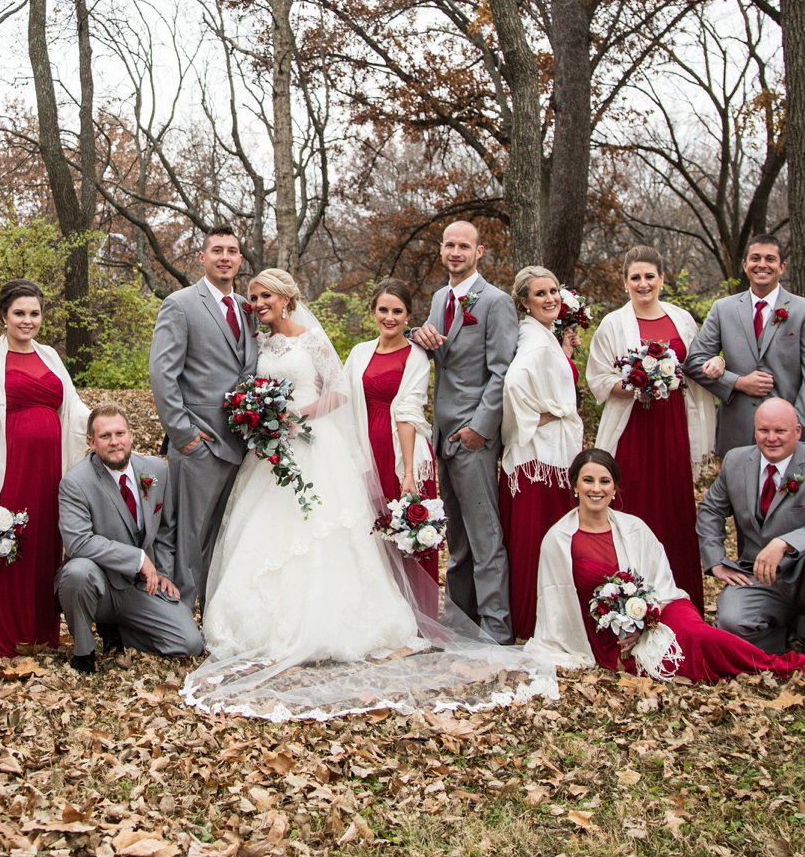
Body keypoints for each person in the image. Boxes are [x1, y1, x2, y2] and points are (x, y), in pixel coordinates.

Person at [185, 269, 560, 720]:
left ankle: (340, 621)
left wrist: (294, 418)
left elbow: (337, 392)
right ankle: (259, 625)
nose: (259, 302)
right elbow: (251, 386)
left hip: (313, 445)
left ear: (287, 298)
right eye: (254, 296)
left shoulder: (313, 340)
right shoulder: (259, 344)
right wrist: (258, 414)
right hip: (270, 453)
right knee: (263, 529)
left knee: (325, 533)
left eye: (266, 295)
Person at [528, 449, 805, 682]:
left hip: (661, 610)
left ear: (615, 488)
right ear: (574, 486)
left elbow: (661, 583)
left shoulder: (634, 528)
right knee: (666, 663)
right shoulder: (559, 540)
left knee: (697, 636)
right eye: (588, 480)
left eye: (604, 481)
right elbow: (557, 605)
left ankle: (771, 665)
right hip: (604, 636)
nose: (596, 489)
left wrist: (644, 621)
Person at [0, 279, 91, 656]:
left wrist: (102, 428)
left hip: (51, 470)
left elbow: (74, 409)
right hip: (9, 464)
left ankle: (37, 632)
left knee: (41, 544)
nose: (27, 320)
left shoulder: (50, 355)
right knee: (7, 537)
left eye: (34, 313)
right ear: (4, 316)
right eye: (19, 313)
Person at [586, 245, 714, 610]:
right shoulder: (613, 324)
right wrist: (634, 385)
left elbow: (697, 365)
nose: (643, 284)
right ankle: (631, 602)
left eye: (649, 277)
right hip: (634, 429)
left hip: (673, 426)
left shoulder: (682, 320)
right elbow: (598, 379)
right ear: (625, 282)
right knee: (634, 507)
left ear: (662, 279)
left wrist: (714, 367)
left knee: (674, 509)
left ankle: (682, 601)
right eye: (635, 278)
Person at [408, 221, 518, 643]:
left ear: (479, 252)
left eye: (464, 246)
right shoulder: (440, 298)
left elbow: (501, 370)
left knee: (484, 534)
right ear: (441, 250)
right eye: (449, 245)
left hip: (473, 436)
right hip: (442, 433)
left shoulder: (495, 302)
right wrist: (420, 335)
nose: (456, 252)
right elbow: (442, 351)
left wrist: (480, 429)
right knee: (457, 537)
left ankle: (496, 629)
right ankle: (460, 623)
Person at [696, 399, 805, 671]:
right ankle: (776, 638)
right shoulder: (736, 461)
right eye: (763, 430)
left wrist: (784, 543)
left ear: (797, 431)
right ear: (754, 430)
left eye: (780, 431)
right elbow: (710, 509)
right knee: (730, 624)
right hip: (758, 576)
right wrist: (716, 560)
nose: (771, 438)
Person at [146, 225, 258, 610]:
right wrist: (184, 435)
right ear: (202, 257)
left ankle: (214, 615)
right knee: (188, 537)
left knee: (223, 534)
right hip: (201, 443)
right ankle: (180, 615)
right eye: (217, 250)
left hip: (242, 443)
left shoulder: (247, 307)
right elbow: (163, 373)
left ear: (240, 259)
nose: (225, 257)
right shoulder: (180, 304)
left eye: (231, 250)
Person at [56, 406, 203, 672]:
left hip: (140, 587)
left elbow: (166, 529)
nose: (114, 442)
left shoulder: (157, 470)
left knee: (189, 643)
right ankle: (84, 651)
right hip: (100, 583)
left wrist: (164, 572)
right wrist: (136, 558)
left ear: (131, 435)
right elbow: (78, 542)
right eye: (105, 436)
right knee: (76, 572)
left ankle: (119, 632)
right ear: (91, 442)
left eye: (120, 433)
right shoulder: (75, 483)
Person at [684, 235, 805, 452]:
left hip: (794, 437)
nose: (762, 264)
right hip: (737, 434)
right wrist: (738, 382)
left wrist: (793, 429)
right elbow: (694, 362)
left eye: (770, 259)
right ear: (745, 265)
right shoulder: (723, 309)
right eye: (755, 258)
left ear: (782, 267)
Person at [500, 266, 583, 642]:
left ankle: (541, 620)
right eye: (541, 294)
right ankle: (531, 623)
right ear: (524, 302)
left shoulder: (541, 335)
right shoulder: (534, 342)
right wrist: (544, 414)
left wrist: (564, 352)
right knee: (539, 540)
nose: (551, 298)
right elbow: (517, 382)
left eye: (554, 291)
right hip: (539, 459)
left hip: (545, 457)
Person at [346, 279, 437, 603]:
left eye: (397, 311)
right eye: (383, 309)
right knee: (370, 534)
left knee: (405, 533)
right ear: (373, 311)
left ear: (408, 316)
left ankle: (418, 614)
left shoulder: (415, 357)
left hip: (400, 453)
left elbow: (409, 414)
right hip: (365, 450)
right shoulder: (359, 353)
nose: (389, 317)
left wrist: (409, 473)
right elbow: (342, 401)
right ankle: (378, 610)